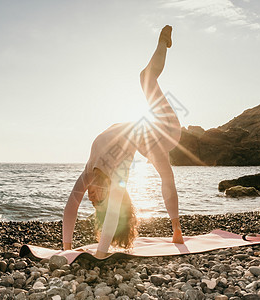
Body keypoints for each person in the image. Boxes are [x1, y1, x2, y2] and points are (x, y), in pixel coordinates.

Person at [62, 25, 184, 258]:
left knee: (145, 78)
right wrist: (100, 253)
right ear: (107, 192)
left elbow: (70, 206)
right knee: (166, 175)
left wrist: (67, 248)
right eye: (98, 201)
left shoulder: (90, 171)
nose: (91, 197)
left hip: (155, 131)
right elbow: (111, 213)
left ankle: (162, 43)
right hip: (164, 132)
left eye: (92, 200)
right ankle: (177, 227)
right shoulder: (118, 175)